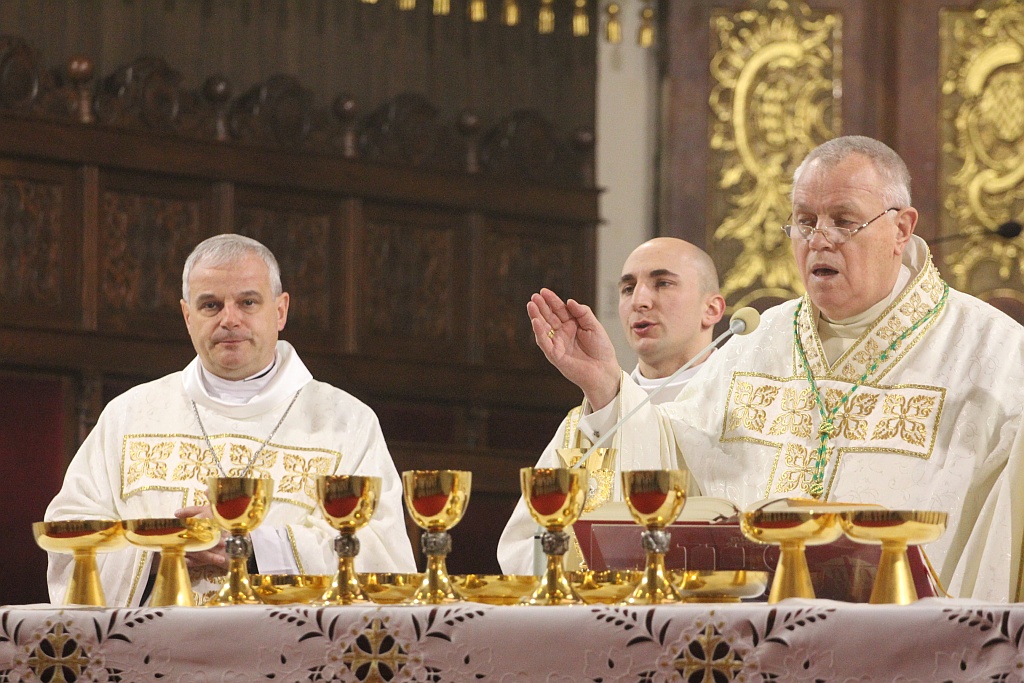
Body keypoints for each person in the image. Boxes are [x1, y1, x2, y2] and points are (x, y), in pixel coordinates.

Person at [529, 135, 1024, 602]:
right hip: (754, 642)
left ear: (901, 229)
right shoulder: (763, 338)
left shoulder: (992, 355)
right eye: (804, 221)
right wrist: (606, 385)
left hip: (909, 650)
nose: (819, 239)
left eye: (843, 220)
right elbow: (675, 461)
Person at [44, 234, 416, 606]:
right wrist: (159, 555)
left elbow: (379, 553)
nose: (229, 319)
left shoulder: (346, 423)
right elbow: (70, 535)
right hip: (152, 648)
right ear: (188, 317)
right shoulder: (129, 416)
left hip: (285, 654)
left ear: (281, 311)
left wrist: (253, 546)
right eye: (210, 305)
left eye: (248, 302)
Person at [497, 238, 725, 575]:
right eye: (628, 288)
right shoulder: (585, 421)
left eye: (663, 283)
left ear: (712, 309)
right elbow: (522, 547)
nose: (640, 301)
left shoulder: (740, 405)